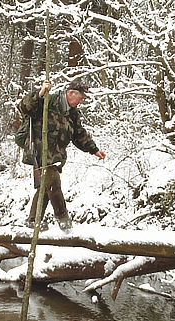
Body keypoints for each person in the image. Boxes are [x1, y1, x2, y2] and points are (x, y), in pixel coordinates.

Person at [18, 80, 106, 231]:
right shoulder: (49, 101)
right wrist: (40, 93)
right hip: (39, 151)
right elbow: (25, 107)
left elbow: (79, 134)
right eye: (80, 98)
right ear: (71, 93)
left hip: (56, 155)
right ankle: (62, 218)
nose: (81, 102)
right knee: (53, 181)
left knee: (46, 185)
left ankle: (33, 220)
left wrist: (94, 149)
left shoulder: (72, 114)